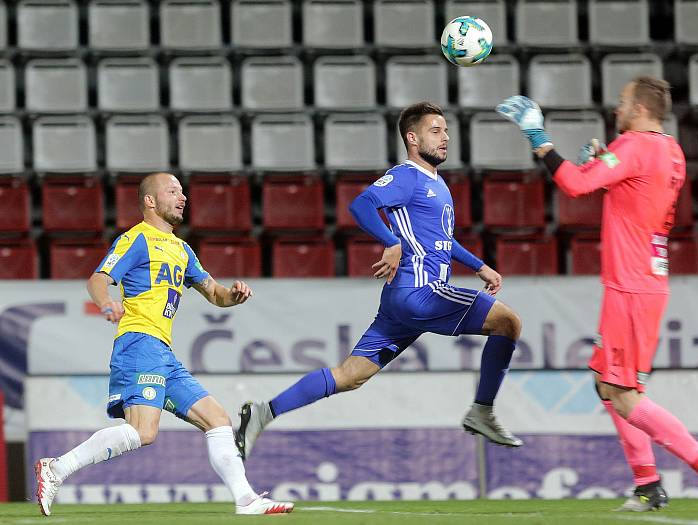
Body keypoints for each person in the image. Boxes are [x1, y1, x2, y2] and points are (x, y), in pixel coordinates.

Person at [496, 78, 698, 513]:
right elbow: (635, 192)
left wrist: (538, 136)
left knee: (625, 394)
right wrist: (604, 168)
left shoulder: (632, 145)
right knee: (605, 384)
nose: (617, 108)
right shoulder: (670, 150)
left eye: (624, 101)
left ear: (641, 108)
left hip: (630, 285)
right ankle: (647, 485)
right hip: (645, 278)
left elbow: (573, 184)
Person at [235, 102, 523, 460]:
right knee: (508, 322)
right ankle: (482, 411)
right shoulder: (406, 176)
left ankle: (263, 413)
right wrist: (390, 242)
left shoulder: (436, 183)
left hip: (401, 303)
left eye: (446, 130)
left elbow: (441, 240)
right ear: (412, 138)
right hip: (422, 293)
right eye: (436, 131)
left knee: (350, 375)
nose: (446, 137)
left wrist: (478, 265)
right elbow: (361, 205)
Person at [34, 173, 293, 516]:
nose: (182, 197)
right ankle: (57, 468)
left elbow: (215, 293)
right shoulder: (137, 239)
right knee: (144, 431)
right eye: (172, 191)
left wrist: (233, 295)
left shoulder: (183, 250)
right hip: (140, 343)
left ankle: (246, 500)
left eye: (183, 191)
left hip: (162, 352)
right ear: (150, 201)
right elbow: (98, 279)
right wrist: (106, 303)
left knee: (217, 419)